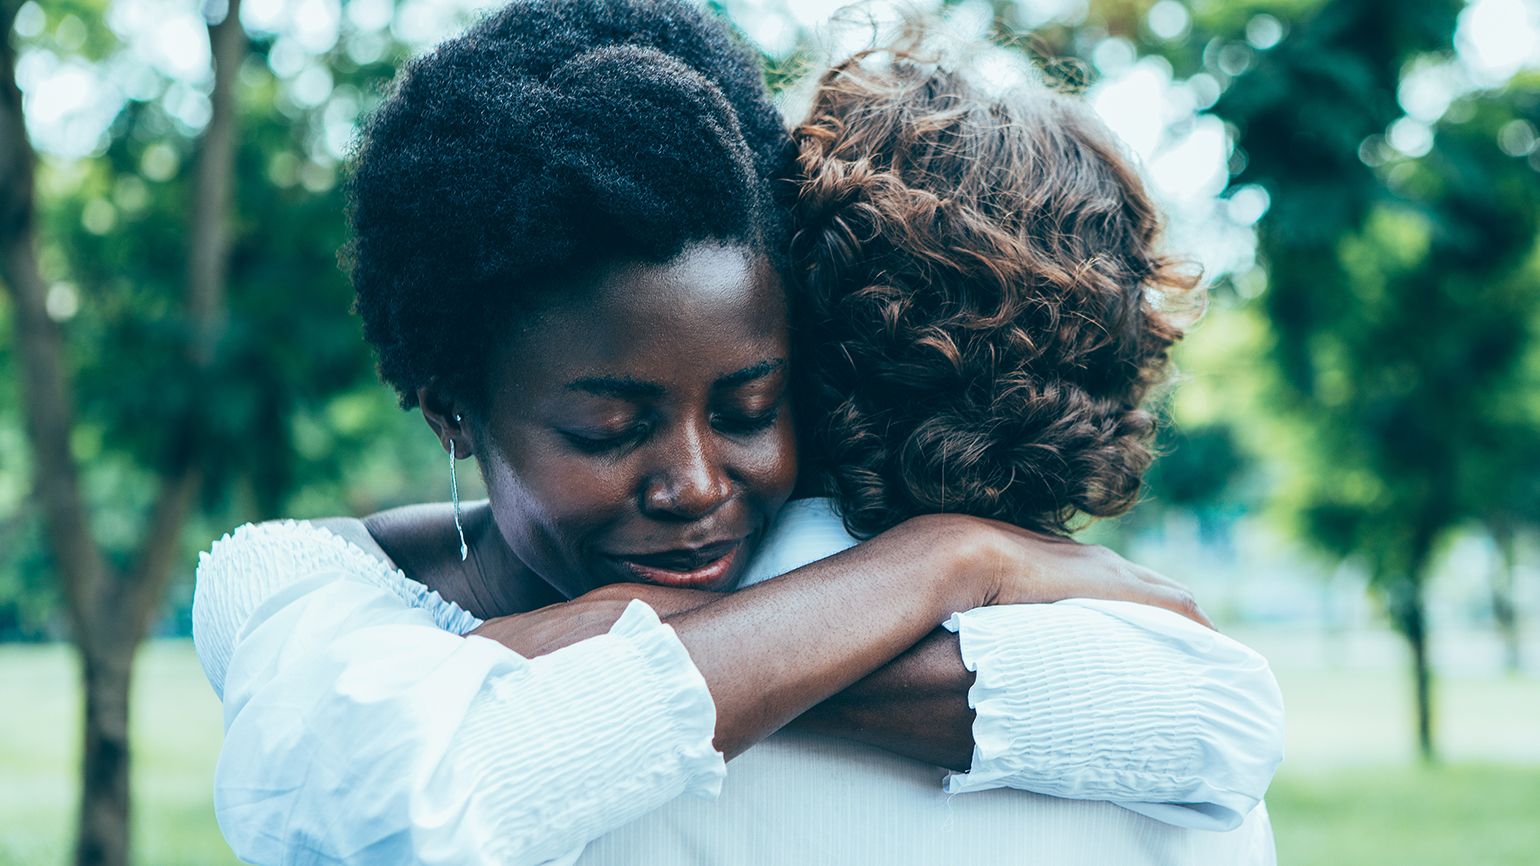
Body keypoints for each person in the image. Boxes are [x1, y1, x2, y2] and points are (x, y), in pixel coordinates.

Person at [190, 2, 1282, 864]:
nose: (696, 483)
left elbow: (1224, 713)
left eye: (750, 407)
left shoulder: (1085, 654)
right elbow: (390, 801)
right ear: (448, 406)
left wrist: (616, 620)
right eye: (609, 427)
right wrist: (950, 558)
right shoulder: (305, 589)